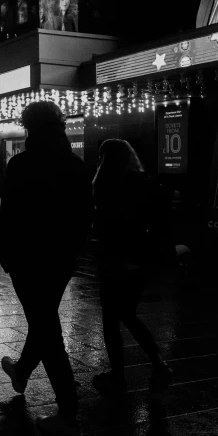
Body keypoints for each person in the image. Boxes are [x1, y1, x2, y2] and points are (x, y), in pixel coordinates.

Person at [0, 101, 93, 436]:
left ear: (29, 127)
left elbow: (9, 214)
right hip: (61, 259)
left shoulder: (21, 164)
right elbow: (85, 215)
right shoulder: (76, 165)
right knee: (44, 320)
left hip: (27, 258)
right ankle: (21, 371)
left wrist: (5, 253)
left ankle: (69, 414)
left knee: (47, 331)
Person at [90, 139, 174, 400]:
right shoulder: (145, 183)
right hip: (140, 260)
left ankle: (117, 374)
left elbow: (105, 226)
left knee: (111, 318)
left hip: (115, 259)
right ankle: (159, 363)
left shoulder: (107, 185)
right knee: (127, 313)